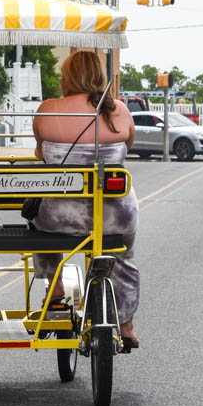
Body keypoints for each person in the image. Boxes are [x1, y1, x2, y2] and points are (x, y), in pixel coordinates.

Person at [32, 49, 140, 347]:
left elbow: (40, 152)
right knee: (123, 258)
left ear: (68, 78)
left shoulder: (48, 109)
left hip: (60, 217)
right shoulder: (119, 111)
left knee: (40, 232)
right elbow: (128, 145)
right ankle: (126, 325)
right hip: (114, 216)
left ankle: (54, 297)